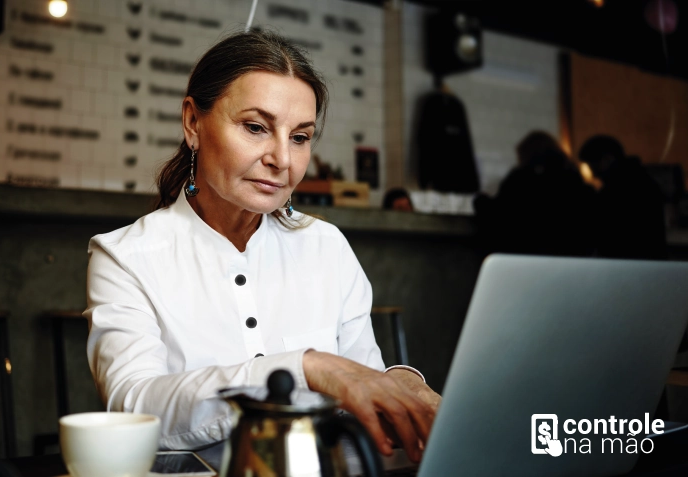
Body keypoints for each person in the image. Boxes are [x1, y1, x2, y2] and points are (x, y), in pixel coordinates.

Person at [84, 31, 440, 463]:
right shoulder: (125, 257)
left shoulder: (326, 246)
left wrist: (398, 384)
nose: (282, 159)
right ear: (193, 123)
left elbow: (358, 379)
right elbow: (133, 404)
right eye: (256, 128)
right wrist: (306, 368)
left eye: (300, 137)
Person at [473, 131, 596, 256]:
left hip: (524, 259)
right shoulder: (576, 184)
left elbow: (498, 215)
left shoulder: (520, 182)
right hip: (571, 260)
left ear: (525, 155)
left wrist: (480, 200)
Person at [578, 135, 667, 260]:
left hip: (626, 263)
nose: (592, 172)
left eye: (592, 164)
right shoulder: (642, 180)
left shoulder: (614, 189)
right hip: (647, 262)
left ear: (607, 159)